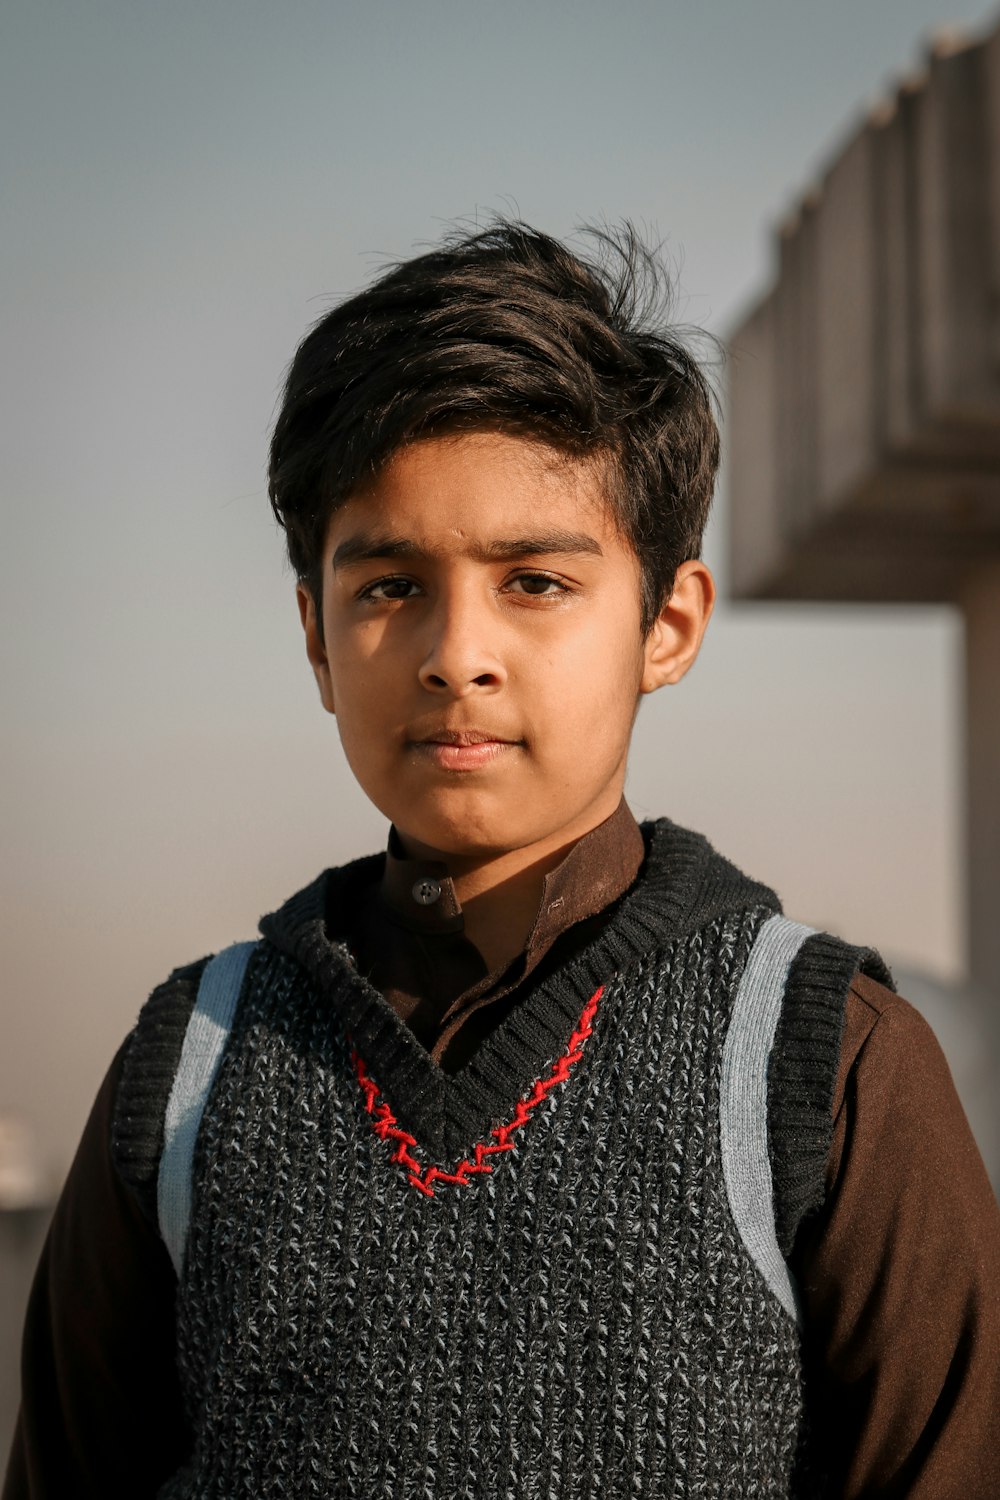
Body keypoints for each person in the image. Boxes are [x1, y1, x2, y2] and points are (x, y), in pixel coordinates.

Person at [4, 221, 999, 1500]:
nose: (454, 653)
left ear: (668, 623)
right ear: (315, 634)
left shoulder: (820, 1065)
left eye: (533, 582)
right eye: (388, 587)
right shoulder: (190, 1067)